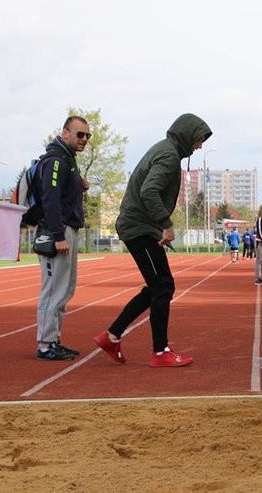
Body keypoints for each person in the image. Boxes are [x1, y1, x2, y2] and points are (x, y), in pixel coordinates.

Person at [94, 113, 212, 367]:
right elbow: (149, 191)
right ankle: (160, 352)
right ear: (188, 134)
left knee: (157, 286)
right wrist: (166, 225)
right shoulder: (169, 156)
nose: (200, 146)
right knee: (163, 286)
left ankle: (112, 336)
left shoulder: (166, 150)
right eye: (199, 139)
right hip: (138, 228)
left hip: (142, 226)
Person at [35, 115, 91, 360]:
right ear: (65, 133)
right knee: (53, 290)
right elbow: (51, 198)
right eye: (80, 134)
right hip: (58, 231)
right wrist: (58, 235)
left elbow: (63, 192)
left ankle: (54, 339)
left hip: (69, 229)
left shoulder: (68, 160)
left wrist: (80, 185)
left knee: (65, 290)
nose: (84, 139)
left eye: (88, 136)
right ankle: (46, 344)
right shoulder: (56, 159)